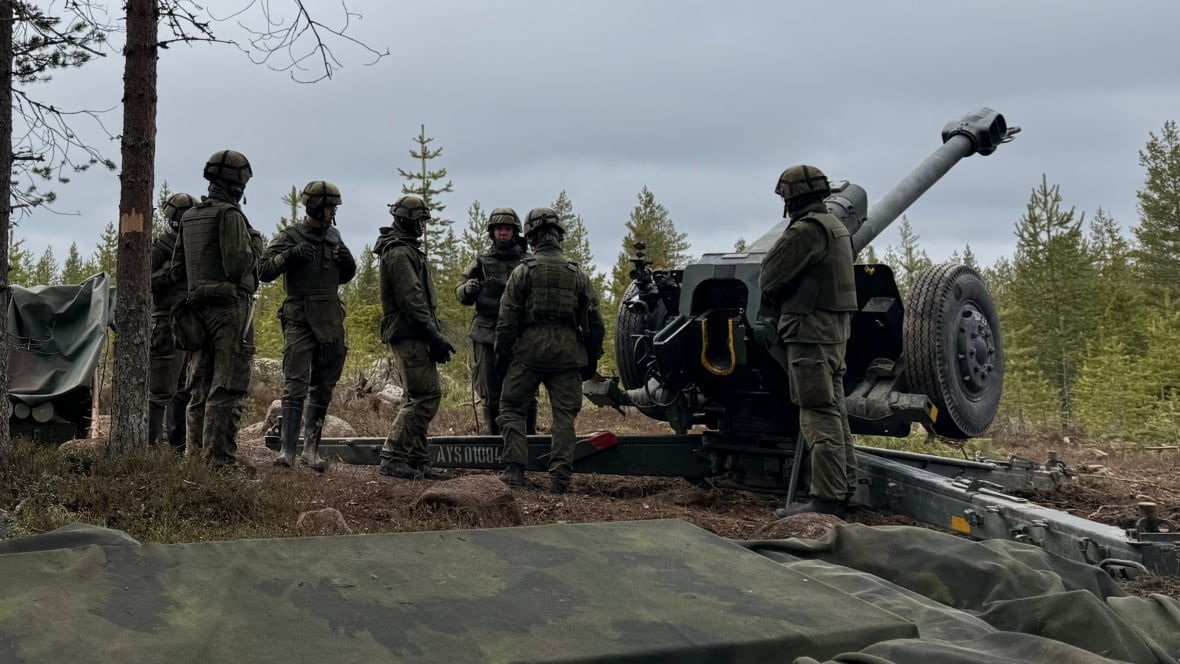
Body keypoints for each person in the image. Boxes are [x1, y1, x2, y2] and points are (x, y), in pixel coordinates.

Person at [759, 164, 859, 518]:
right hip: (833, 331)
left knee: (817, 412)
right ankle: (842, 488)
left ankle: (826, 498)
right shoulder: (836, 227)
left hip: (810, 330)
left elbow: (770, 277)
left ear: (790, 197)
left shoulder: (805, 231)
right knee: (834, 410)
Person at [495, 207, 604, 494]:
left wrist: (502, 355)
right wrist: (591, 358)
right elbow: (596, 322)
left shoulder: (523, 272)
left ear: (530, 237)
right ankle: (559, 479)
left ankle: (515, 470)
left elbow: (507, 320)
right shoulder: (577, 273)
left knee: (511, 408)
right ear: (558, 235)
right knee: (564, 417)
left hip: (530, 352)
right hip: (568, 354)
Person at [171, 149, 265, 466]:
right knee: (228, 386)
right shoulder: (230, 216)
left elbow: (177, 270)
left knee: (199, 388)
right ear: (238, 184)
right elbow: (239, 265)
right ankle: (219, 462)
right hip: (229, 311)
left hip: (197, 310)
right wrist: (256, 244)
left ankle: (193, 458)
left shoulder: (190, 217)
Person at [259, 180, 356, 471]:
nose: (333, 212)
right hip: (300, 316)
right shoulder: (290, 236)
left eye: (334, 208)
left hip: (330, 318)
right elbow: (263, 270)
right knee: (296, 385)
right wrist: (289, 255)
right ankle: (287, 451)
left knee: (324, 386)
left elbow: (343, 276)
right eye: (329, 207)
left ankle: (311, 450)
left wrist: (348, 262)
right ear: (315, 206)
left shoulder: (335, 237)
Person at [374, 194, 455, 481]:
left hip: (415, 332)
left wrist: (434, 337)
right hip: (410, 333)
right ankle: (393, 456)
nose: (424, 225)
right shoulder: (399, 253)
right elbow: (412, 300)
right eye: (421, 220)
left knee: (417, 395)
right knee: (425, 396)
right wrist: (434, 337)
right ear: (408, 220)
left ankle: (418, 460)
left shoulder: (406, 250)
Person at [454, 207, 538, 435]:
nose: (503, 233)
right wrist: (468, 289)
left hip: (519, 334)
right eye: (499, 229)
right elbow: (460, 290)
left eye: (507, 229)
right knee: (489, 389)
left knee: (526, 389)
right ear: (493, 232)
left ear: (515, 232)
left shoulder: (529, 262)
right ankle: (492, 438)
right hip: (486, 332)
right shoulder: (481, 260)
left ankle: (528, 437)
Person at [149, 191, 197, 452]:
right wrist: (170, 272)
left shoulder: (195, 249)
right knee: (159, 390)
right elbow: (143, 281)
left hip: (190, 325)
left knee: (184, 389)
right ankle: (151, 445)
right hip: (166, 324)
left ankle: (179, 447)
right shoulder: (160, 248)